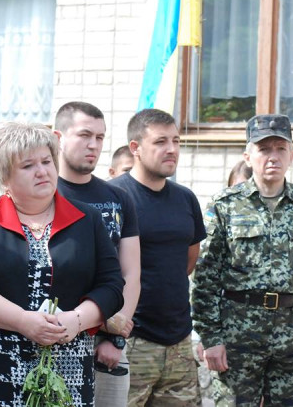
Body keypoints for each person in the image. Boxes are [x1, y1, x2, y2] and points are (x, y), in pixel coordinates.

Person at [0, 121, 124, 406]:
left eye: (47, 161)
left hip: (68, 369)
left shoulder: (87, 219)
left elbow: (111, 285)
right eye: (28, 166)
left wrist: (75, 321)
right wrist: (22, 321)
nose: (42, 171)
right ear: (4, 176)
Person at [192, 114, 293, 407]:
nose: (273, 157)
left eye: (280, 149)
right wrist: (211, 337)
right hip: (238, 335)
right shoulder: (225, 205)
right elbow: (205, 277)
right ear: (248, 156)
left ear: (292, 155)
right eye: (264, 149)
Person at [110, 108, 206, 407]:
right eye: (161, 141)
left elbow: (188, 262)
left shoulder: (185, 198)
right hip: (130, 338)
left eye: (176, 141)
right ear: (135, 148)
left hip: (178, 341)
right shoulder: (113, 197)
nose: (172, 149)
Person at [54, 101, 141, 407]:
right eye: (84, 135)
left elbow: (131, 272)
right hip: (53, 334)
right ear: (58, 137)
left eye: (100, 137)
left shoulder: (118, 197)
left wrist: (115, 337)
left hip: (108, 345)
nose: (94, 145)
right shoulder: (43, 193)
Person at [194, 158, 253, 407]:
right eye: (236, 186)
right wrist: (207, 336)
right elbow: (204, 280)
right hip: (230, 331)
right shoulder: (221, 212)